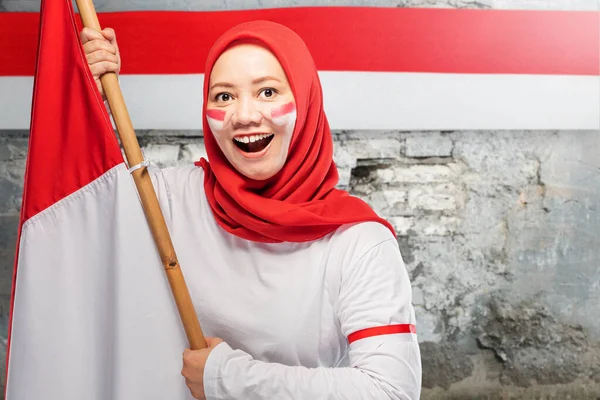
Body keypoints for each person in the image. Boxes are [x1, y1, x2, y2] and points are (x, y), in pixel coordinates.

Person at [81, 20, 422, 400]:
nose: (243, 115)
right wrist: (88, 97)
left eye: (267, 91)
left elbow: (392, 390)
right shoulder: (167, 201)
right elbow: (74, 215)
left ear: (306, 100)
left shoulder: (359, 241)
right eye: (224, 97)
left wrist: (225, 378)